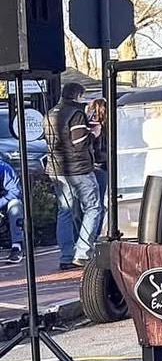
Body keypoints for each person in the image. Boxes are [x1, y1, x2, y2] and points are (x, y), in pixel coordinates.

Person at [43, 82, 102, 270]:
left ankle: (66, 256)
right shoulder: (76, 114)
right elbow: (79, 143)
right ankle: (82, 253)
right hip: (79, 169)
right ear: (77, 95)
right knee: (93, 208)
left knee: (64, 211)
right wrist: (94, 133)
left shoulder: (50, 113)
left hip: (57, 170)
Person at [87, 97, 109, 235]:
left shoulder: (89, 126)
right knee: (98, 204)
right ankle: (95, 235)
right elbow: (100, 151)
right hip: (101, 166)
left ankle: (93, 235)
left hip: (91, 167)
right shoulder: (102, 128)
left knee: (93, 203)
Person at [0, 158, 24, 264]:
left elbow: (15, 191)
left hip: (4, 204)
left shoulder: (4, 169)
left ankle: (17, 246)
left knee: (15, 205)